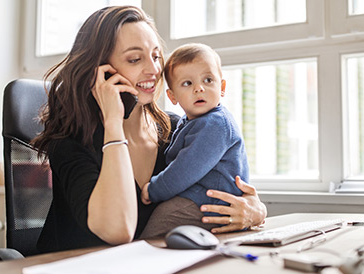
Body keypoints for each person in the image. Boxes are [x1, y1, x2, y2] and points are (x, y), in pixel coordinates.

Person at [31, 6, 267, 253]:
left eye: (155, 56)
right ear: (100, 72)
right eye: (135, 59)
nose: (154, 70)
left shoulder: (175, 129)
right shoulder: (70, 140)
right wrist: (113, 122)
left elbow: (229, 185)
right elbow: (118, 231)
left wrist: (254, 210)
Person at [139, 43, 249, 238]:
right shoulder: (189, 121)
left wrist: (154, 190)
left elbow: (185, 169)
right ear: (172, 96)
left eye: (208, 80)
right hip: (201, 200)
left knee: (151, 236)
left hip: (208, 203)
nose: (199, 88)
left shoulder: (216, 124)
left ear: (222, 87)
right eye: (187, 84)